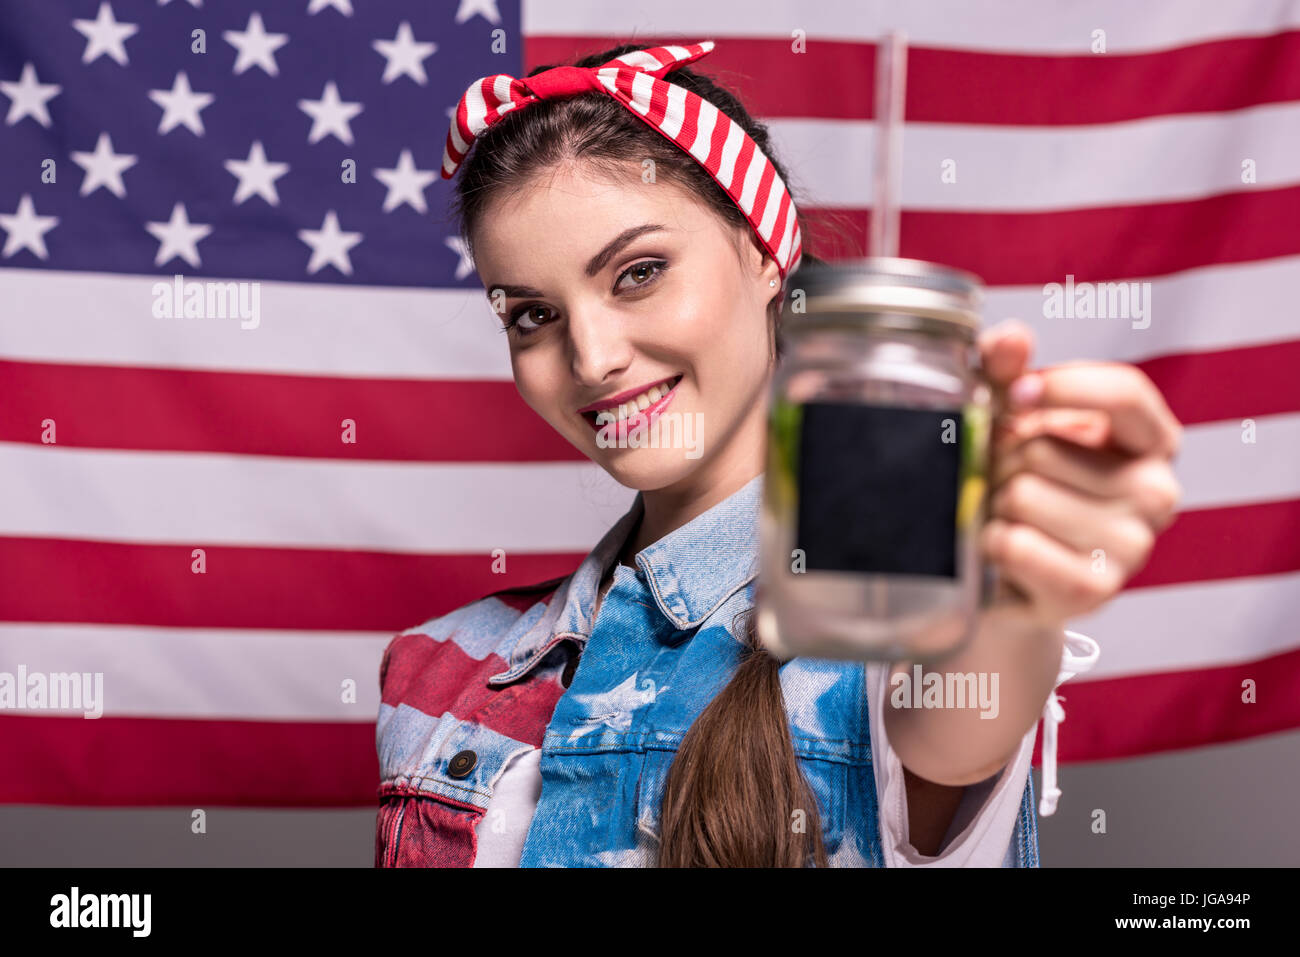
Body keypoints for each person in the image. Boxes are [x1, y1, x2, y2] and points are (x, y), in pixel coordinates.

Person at [375, 41, 1182, 867]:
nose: (592, 357)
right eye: (533, 316)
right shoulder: (433, 670)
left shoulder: (882, 613)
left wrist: (1013, 595)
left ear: (766, 252)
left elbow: (955, 711)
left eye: (638, 272)